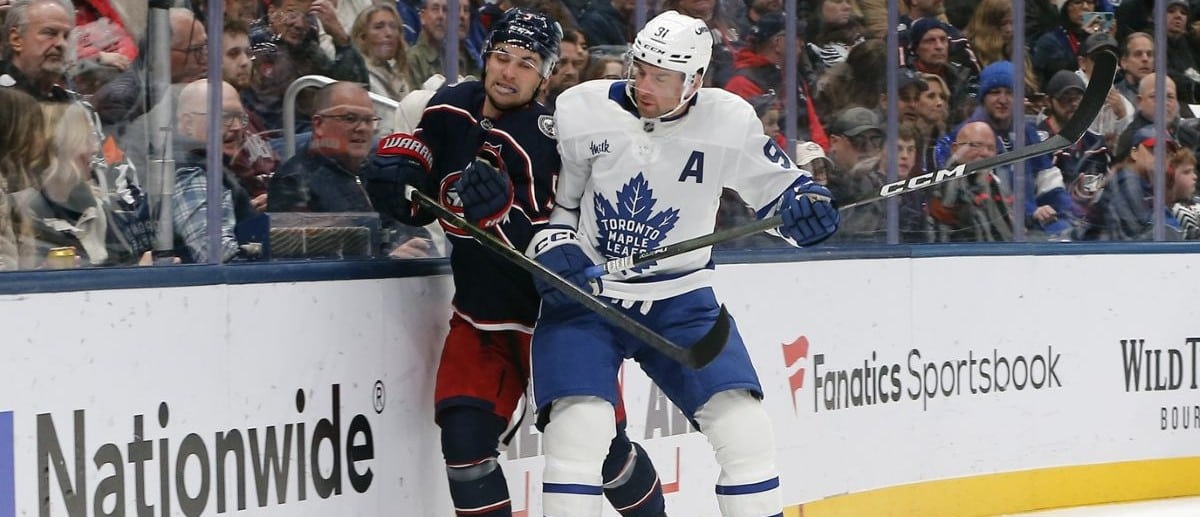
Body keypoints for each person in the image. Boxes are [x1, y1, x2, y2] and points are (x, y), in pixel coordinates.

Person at [526, 10, 838, 516]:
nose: (643, 84)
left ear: (694, 80)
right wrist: (554, 247)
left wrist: (806, 208)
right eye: (640, 68)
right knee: (578, 432)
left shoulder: (728, 120)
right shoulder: (579, 110)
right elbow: (554, 208)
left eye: (661, 77)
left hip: (682, 302)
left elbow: (780, 193)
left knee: (746, 435)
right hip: (591, 298)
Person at [365, 8, 667, 517]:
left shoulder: (555, 138)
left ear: (546, 75)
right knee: (464, 446)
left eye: (527, 63)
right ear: (486, 56)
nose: (509, 71)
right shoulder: (448, 107)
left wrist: (504, 215)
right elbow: (421, 196)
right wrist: (394, 183)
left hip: (559, 324)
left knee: (603, 455)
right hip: (481, 318)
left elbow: (566, 237)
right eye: (502, 57)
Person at [267, 82, 432, 258]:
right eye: (350, 118)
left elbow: (415, 231)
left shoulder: (383, 174)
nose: (362, 128)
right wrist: (386, 262)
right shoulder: (294, 180)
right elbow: (301, 258)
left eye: (369, 120)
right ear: (319, 124)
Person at [0, 0, 74, 102]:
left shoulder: (77, 106)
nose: (61, 44)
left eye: (66, 36)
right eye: (49, 33)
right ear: (16, 39)